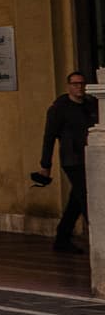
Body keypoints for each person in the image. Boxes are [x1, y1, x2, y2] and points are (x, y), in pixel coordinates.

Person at [33, 71, 97, 254]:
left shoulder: (90, 105)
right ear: (69, 86)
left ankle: (62, 238)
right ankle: (98, 239)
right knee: (86, 197)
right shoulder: (59, 109)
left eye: (82, 83)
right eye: (75, 84)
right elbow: (49, 137)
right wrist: (45, 165)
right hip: (72, 160)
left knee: (76, 199)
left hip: (89, 157)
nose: (79, 87)